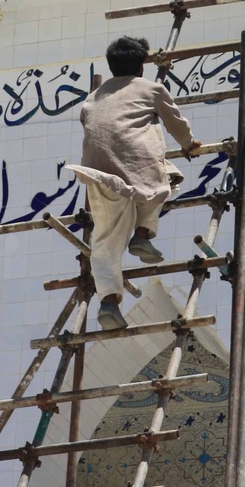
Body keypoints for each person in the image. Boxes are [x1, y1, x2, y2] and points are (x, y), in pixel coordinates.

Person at [67, 35, 202, 331]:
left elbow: (91, 124)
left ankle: (108, 302)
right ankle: (142, 233)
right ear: (141, 66)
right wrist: (189, 144)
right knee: (166, 178)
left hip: (97, 172)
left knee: (106, 238)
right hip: (137, 166)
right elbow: (176, 123)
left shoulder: (93, 97)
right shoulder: (152, 89)